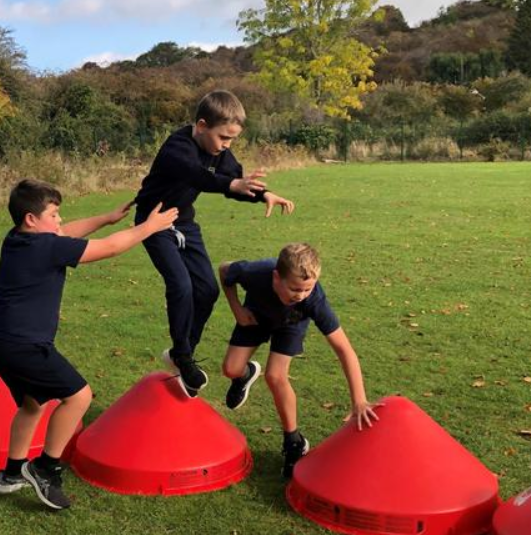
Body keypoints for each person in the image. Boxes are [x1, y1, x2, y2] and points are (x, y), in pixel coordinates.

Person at [0, 178, 178, 511]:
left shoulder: (17, 238)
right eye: (54, 214)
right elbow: (110, 248)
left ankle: (11, 474)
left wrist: (106, 218)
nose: (60, 220)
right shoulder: (47, 247)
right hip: (25, 345)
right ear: (31, 219)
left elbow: (66, 233)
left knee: (32, 404)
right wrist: (150, 226)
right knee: (79, 396)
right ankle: (45, 468)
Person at [133, 89, 294, 397]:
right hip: (153, 222)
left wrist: (263, 194)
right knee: (181, 285)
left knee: (207, 289)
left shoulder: (218, 151)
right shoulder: (177, 147)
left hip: (183, 221)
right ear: (202, 125)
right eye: (223, 137)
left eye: (232, 139)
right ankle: (183, 355)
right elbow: (197, 176)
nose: (227, 145)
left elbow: (235, 181)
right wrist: (231, 183)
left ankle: (183, 353)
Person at [219, 243, 378, 478]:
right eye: (295, 289)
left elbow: (344, 349)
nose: (301, 295)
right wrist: (237, 309)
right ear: (276, 277)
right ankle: (245, 374)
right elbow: (224, 270)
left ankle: (293, 442)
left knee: (275, 376)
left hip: (290, 325)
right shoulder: (256, 272)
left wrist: (359, 400)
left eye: (307, 289)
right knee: (231, 369)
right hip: (255, 317)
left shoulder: (313, 301)